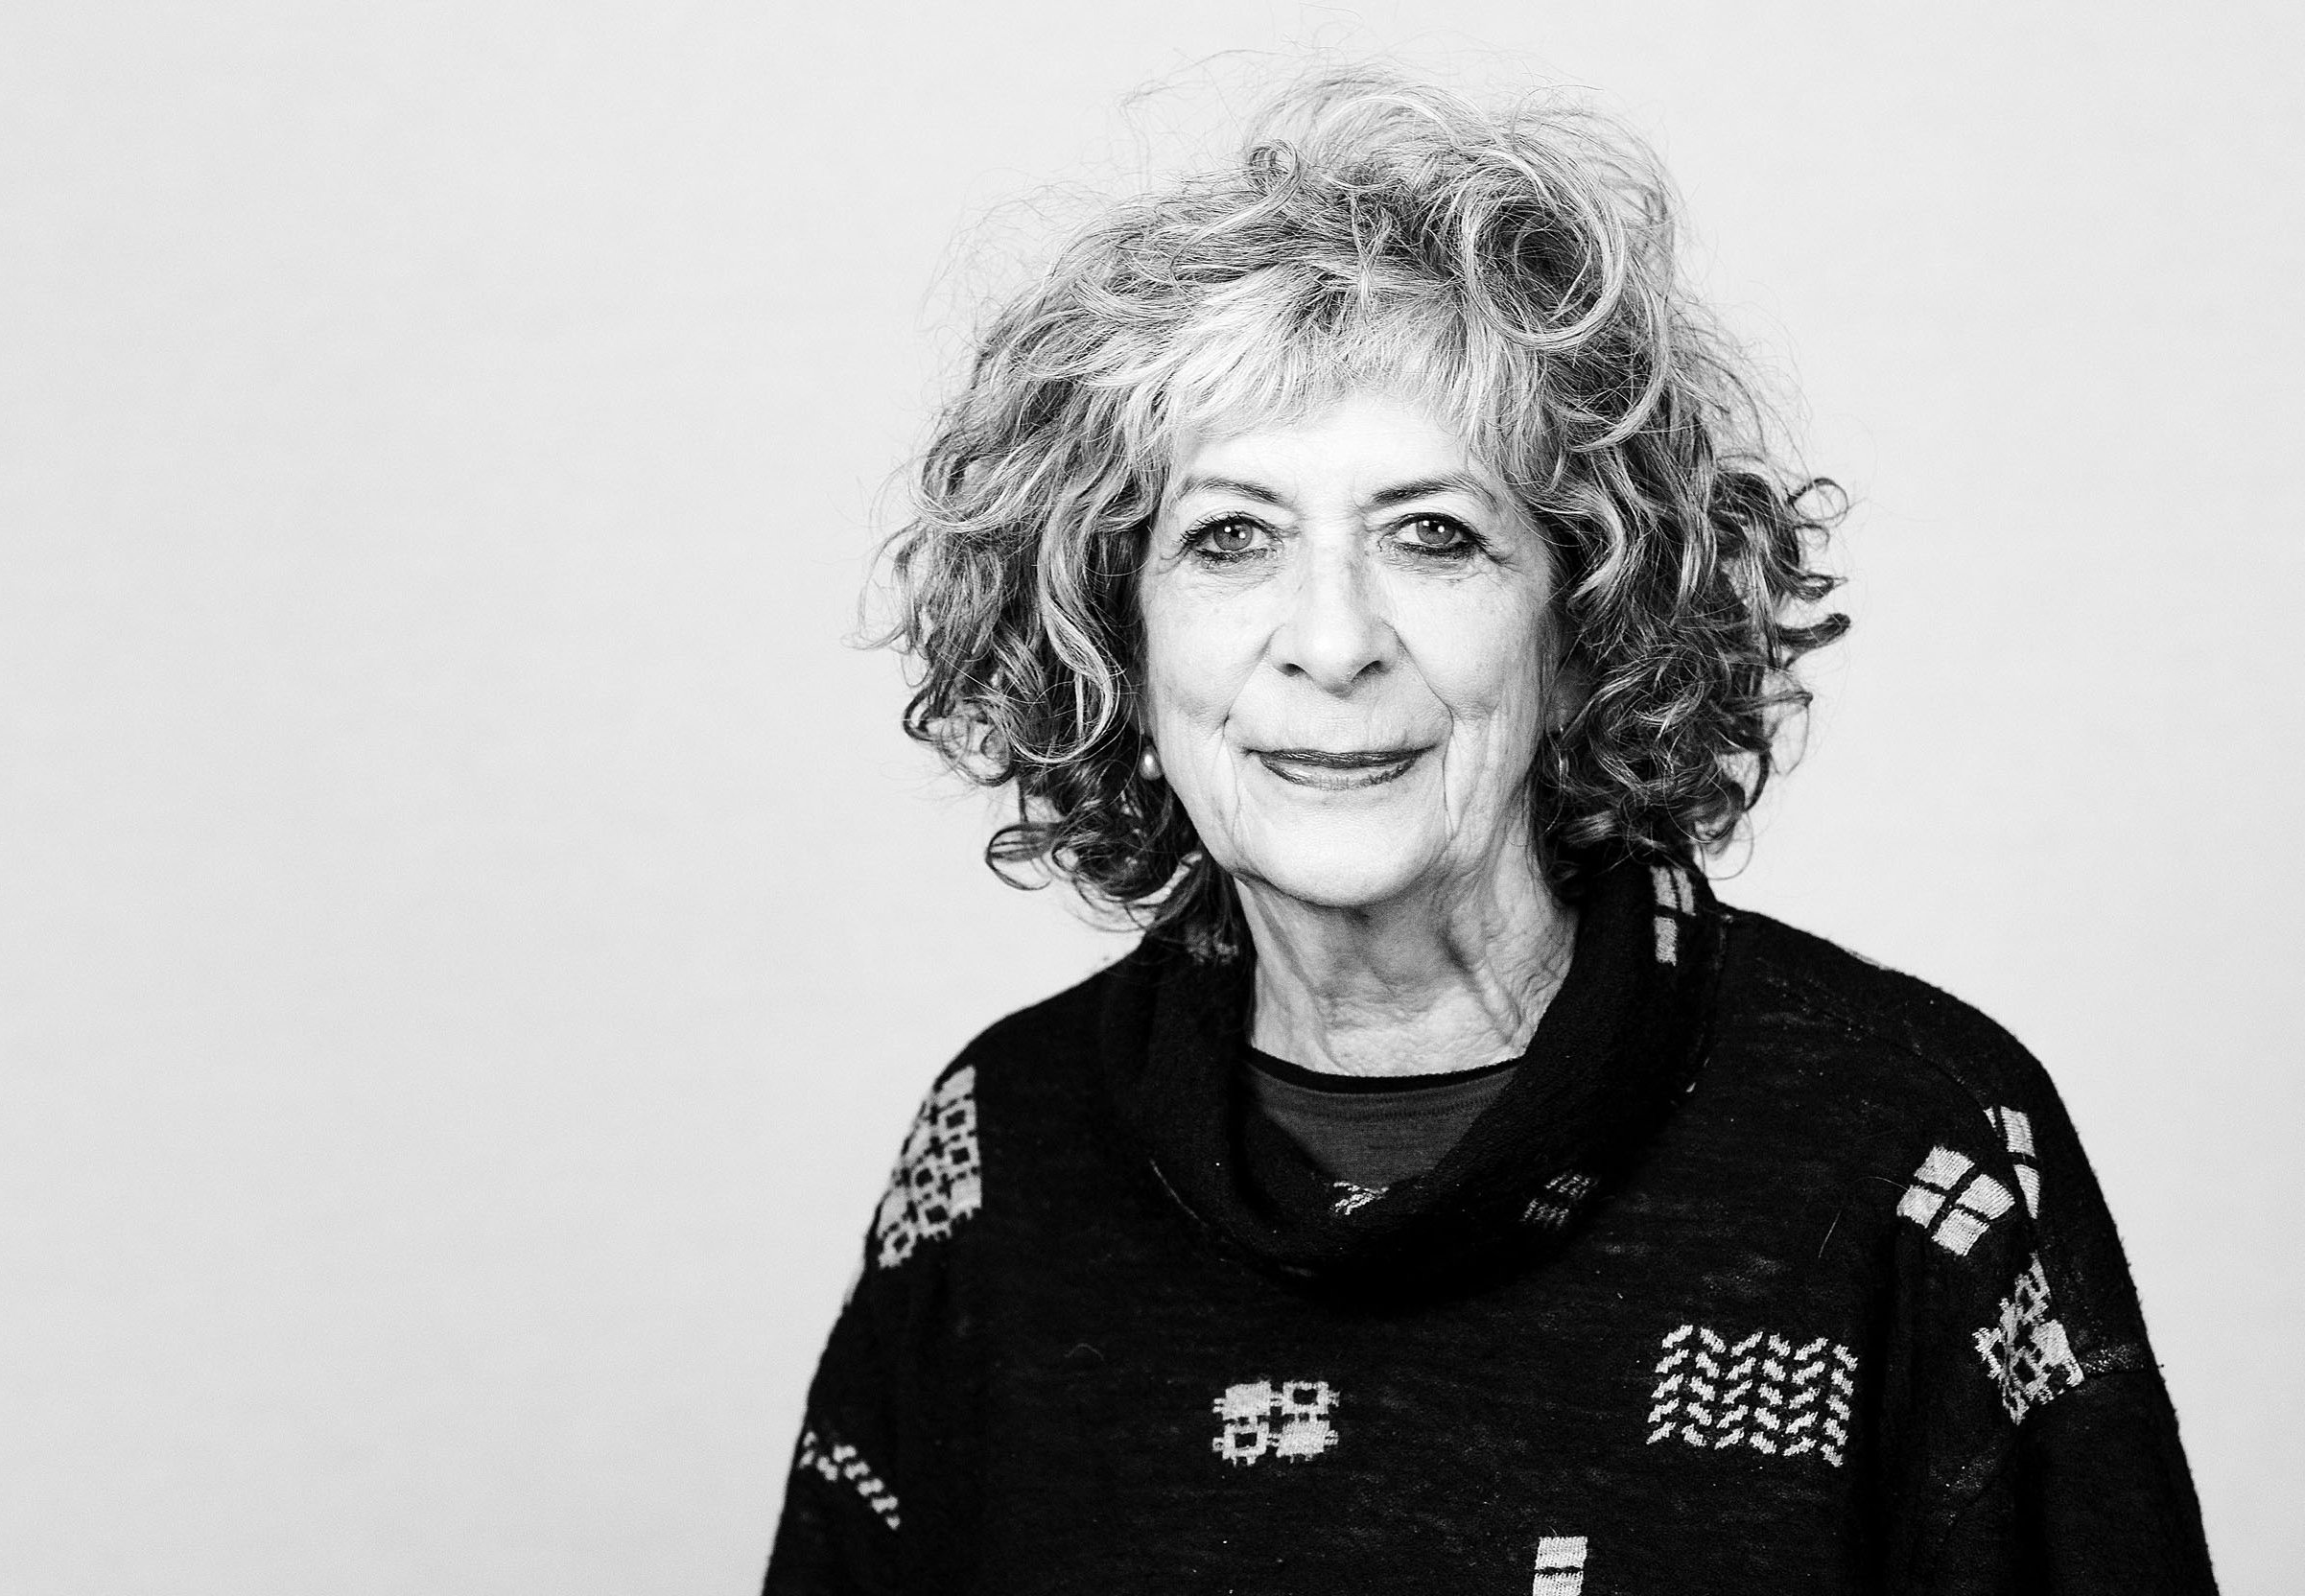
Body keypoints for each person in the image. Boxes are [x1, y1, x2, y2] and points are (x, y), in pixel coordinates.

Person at [764, 69, 2216, 1594]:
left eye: (1435, 536)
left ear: (1584, 623)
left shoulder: (1913, 1146)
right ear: (1115, 636)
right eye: (1231, 537)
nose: (1333, 642)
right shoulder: (1000, 1156)